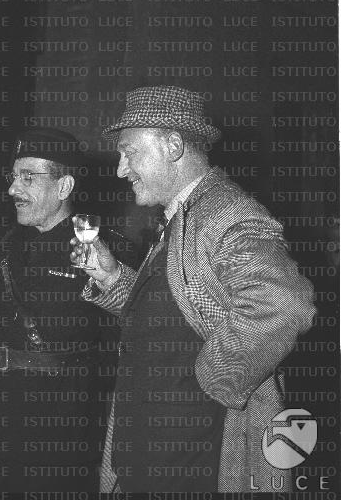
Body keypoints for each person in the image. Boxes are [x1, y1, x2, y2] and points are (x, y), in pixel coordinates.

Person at [70, 86, 317, 493]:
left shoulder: (226, 213)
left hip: (192, 459)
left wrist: (214, 377)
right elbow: (174, 316)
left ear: (172, 146)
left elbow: (284, 303)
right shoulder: (185, 214)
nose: (120, 169)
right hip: (154, 453)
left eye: (129, 152)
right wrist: (113, 278)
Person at [0, 128, 134, 492]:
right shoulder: (0, 245)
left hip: (58, 432)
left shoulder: (105, 252)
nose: (13, 189)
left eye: (28, 177)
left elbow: (128, 341)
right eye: (13, 177)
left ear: (64, 186)